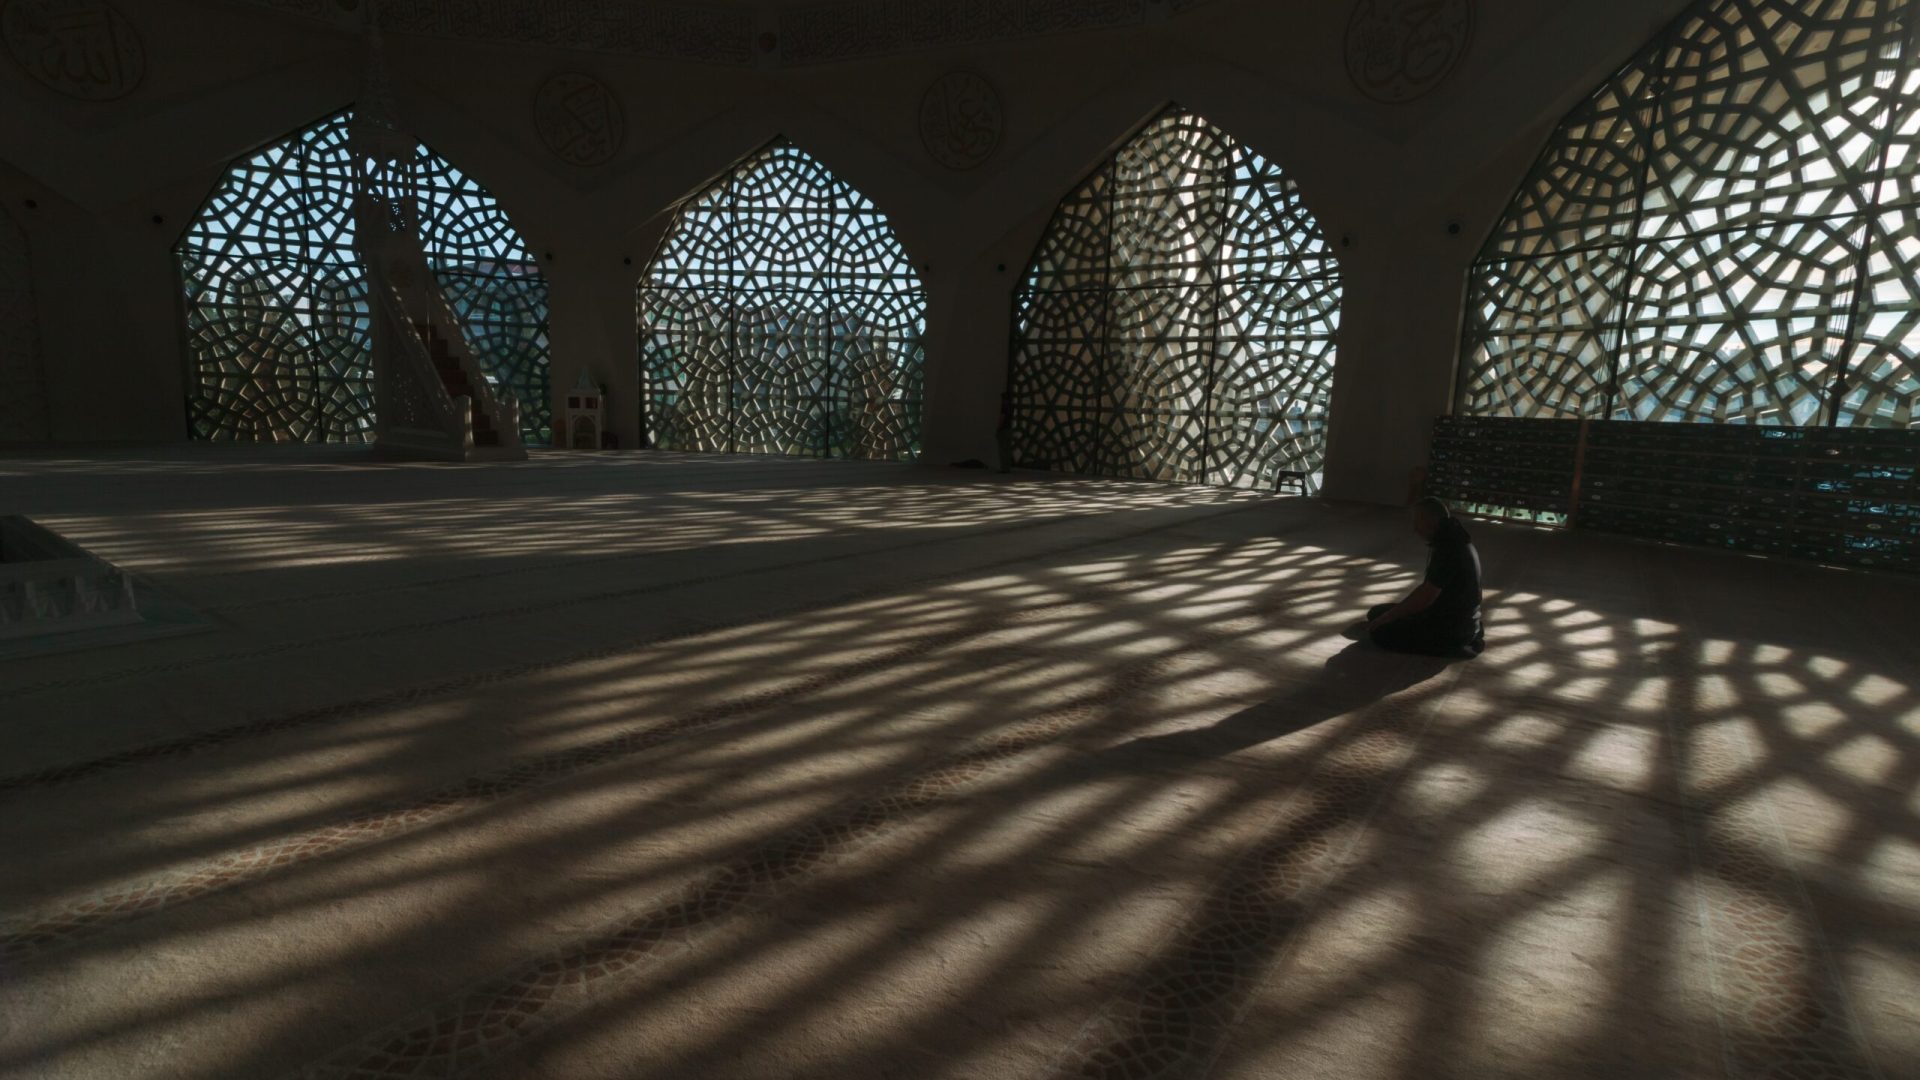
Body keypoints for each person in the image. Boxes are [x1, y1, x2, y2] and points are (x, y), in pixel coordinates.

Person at [1363, 496, 1484, 657]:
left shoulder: (1447, 549)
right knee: (1376, 613)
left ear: (1430, 521)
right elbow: (1428, 589)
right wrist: (1390, 614)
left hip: (1451, 628)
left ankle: (1456, 643)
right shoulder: (1455, 537)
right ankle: (1470, 634)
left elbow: (1426, 596)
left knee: (1380, 633)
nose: (1415, 528)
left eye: (1417, 522)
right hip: (1461, 618)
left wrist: (1390, 616)